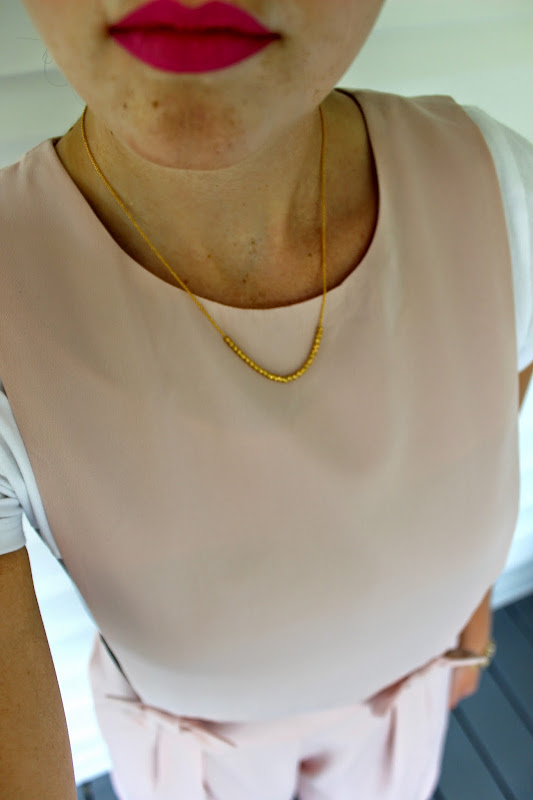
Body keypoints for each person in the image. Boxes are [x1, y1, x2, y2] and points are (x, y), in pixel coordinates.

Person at [1, 1, 532, 798]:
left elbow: (494, 421)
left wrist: (470, 622)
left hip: (407, 711)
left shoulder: (501, 190)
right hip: (197, 765)